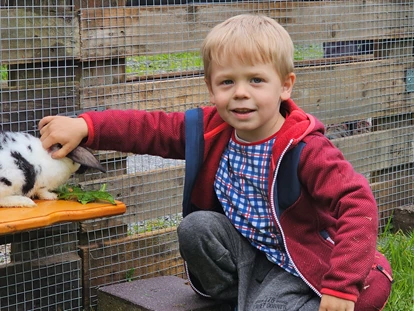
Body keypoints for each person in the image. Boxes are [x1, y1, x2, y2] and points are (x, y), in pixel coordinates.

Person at [39, 14, 392, 311]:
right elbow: (148, 129)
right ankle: (238, 296)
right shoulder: (210, 129)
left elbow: (357, 203)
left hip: (300, 262)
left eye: (256, 80)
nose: (241, 92)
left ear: (285, 86)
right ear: (211, 87)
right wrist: (87, 126)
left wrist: (342, 283)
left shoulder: (306, 148)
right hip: (250, 253)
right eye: (228, 81)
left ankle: (303, 300)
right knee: (196, 228)